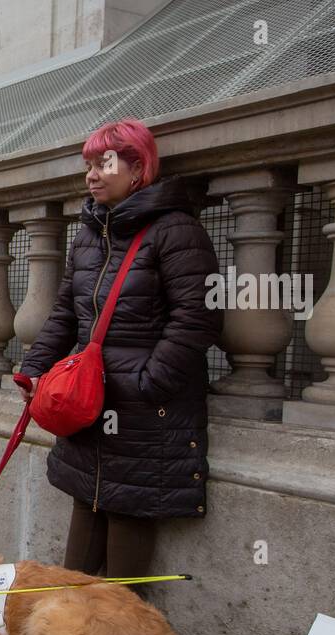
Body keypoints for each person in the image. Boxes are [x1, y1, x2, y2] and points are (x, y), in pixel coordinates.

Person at [17, 117, 221, 580]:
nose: (91, 175)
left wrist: (149, 383)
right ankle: (70, 634)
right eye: (88, 165)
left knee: (129, 514)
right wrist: (32, 369)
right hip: (91, 402)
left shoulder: (176, 230)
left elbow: (199, 317)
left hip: (145, 410)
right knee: (86, 504)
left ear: (138, 168)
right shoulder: (89, 235)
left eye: (104, 163)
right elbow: (66, 311)